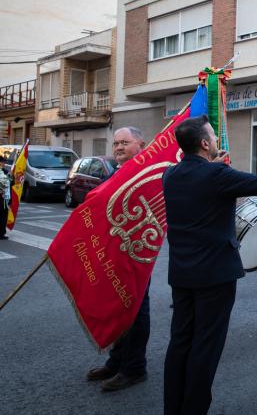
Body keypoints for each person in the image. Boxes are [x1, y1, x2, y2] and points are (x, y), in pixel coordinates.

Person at [162, 116, 257, 414]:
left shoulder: (171, 175)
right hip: (214, 275)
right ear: (205, 143)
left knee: (180, 343)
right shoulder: (216, 174)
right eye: (212, 137)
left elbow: (203, 182)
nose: (216, 140)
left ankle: (173, 407)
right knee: (206, 346)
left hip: (182, 273)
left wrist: (213, 163)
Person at [86, 126, 150, 392]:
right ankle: (117, 361)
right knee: (119, 308)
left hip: (137, 253)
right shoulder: (116, 172)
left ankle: (134, 368)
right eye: (116, 144)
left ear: (141, 144)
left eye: (125, 142)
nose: (119, 147)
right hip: (115, 253)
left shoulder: (146, 172)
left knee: (136, 309)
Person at [0, 155, 9, 240]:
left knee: (4, 215)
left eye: (3, 162)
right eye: (2, 162)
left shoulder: (5, 172)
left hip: (4, 198)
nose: (3, 164)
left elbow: (9, 183)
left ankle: (2, 233)